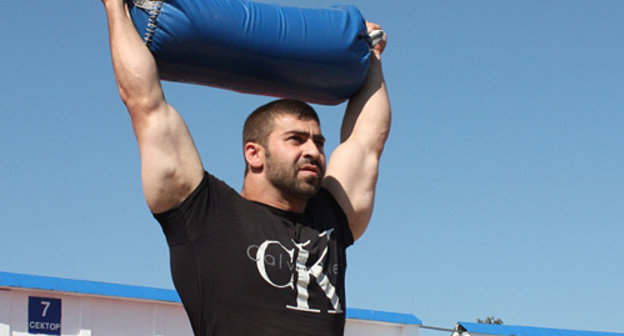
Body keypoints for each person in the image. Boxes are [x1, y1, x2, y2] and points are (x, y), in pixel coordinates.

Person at [101, 0, 390, 335]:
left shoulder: (332, 219)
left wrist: (375, 57)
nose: (313, 150)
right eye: (297, 139)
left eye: (319, 142)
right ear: (254, 154)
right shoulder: (203, 215)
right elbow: (144, 103)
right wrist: (114, 8)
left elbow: (368, 142)